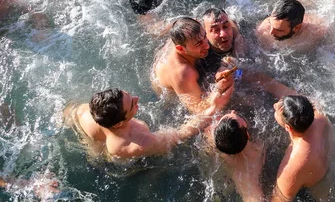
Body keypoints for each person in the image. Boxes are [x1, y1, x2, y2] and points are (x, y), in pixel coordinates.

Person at [68, 88, 229, 160]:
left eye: (130, 95)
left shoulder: (88, 111)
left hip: (100, 137)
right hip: (121, 158)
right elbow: (182, 133)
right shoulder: (141, 143)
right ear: (118, 123)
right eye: (132, 104)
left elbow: (69, 111)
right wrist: (212, 108)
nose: (137, 98)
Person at [153, 17, 234, 113]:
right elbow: (199, 110)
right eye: (199, 43)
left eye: (204, 36)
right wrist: (218, 88)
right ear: (181, 49)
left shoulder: (189, 34)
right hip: (177, 91)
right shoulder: (183, 73)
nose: (207, 46)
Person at [272, 95, 335, 201]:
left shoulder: (293, 166)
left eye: (278, 110)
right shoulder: (319, 116)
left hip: (328, 196)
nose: (275, 105)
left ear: (288, 128)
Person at [205, 111, 265, 202]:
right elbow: (254, 198)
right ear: (248, 135)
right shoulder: (256, 150)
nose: (233, 111)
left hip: (222, 178)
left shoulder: (210, 136)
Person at [256, 0, 328, 53]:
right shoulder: (263, 32)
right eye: (271, 24)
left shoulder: (315, 32)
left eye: (279, 30)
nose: (271, 32)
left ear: (296, 28)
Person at [201, 8, 248, 73]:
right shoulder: (201, 51)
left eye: (225, 26)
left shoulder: (240, 38)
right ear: (205, 34)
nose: (223, 34)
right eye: (216, 30)